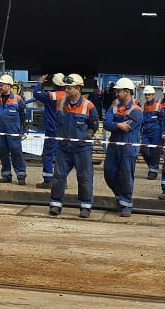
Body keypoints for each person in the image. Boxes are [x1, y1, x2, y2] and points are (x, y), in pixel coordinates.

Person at [50, 75, 100, 217]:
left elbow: (94, 126)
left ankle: (85, 207)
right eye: (65, 87)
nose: (66, 90)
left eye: (69, 88)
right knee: (58, 176)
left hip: (81, 149)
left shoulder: (88, 106)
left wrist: (85, 138)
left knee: (84, 177)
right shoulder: (61, 103)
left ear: (78, 89)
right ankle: (55, 204)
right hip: (63, 148)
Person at [103, 77, 143, 216]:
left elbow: (127, 128)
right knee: (109, 172)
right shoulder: (114, 106)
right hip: (114, 145)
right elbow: (106, 122)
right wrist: (118, 125)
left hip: (127, 146)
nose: (116, 94)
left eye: (119, 91)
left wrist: (115, 124)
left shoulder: (136, 110)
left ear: (127, 92)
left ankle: (126, 205)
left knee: (126, 175)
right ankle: (120, 196)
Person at [0, 75, 27, 184]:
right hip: (1, 130)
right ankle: (6, 175)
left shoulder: (17, 99)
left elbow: (23, 115)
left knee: (16, 152)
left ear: (9, 86)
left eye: (2, 85)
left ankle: (21, 176)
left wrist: (22, 129)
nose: (0, 87)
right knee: (3, 152)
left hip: (13, 131)